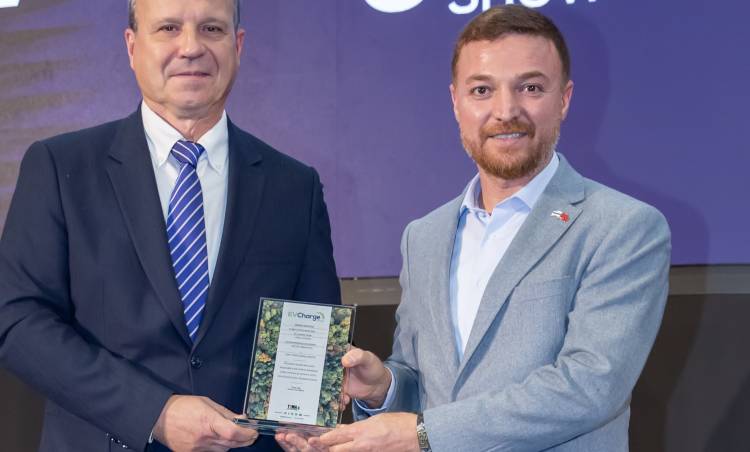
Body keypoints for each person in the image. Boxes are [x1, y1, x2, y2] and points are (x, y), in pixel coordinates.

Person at [279, 5, 671, 452]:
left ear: (564, 99)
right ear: (456, 102)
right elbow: (423, 384)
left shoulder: (623, 227)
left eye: (530, 87)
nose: (506, 111)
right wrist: (383, 387)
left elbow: (588, 387)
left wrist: (423, 434)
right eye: (482, 90)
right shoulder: (423, 237)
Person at [0, 0, 340, 450]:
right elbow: (17, 321)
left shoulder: (294, 186)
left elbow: (312, 335)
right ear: (132, 46)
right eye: (168, 28)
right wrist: (154, 413)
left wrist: (306, 421)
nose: (191, 47)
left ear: (237, 46)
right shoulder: (61, 167)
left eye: (212, 29)